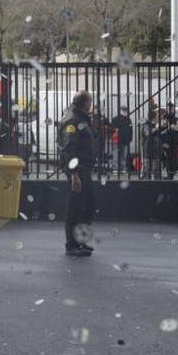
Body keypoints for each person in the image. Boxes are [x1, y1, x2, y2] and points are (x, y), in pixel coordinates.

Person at [58, 92, 97, 258]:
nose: (91, 104)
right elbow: (69, 148)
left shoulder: (80, 117)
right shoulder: (73, 120)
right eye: (90, 101)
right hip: (78, 169)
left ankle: (80, 241)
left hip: (83, 168)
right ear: (85, 102)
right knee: (75, 208)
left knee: (87, 205)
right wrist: (74, 174)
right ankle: (72, 244)